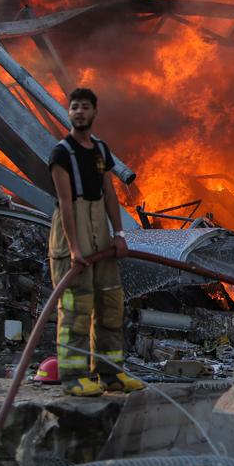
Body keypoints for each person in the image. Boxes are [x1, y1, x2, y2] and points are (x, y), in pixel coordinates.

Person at [48, 87, 144, 397]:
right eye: (74, 107)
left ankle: (110, 373)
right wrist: (75, 249)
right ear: (69, 113)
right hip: (72, 228)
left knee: (111, 302)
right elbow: (65, 203)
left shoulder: (101, 151)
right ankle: (74, 377)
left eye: (85, 107)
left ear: (94, 112)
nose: (79, 112)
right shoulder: (61, 154)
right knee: (77, 309)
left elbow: (109, 194)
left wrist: (119, 234)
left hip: (100, 231)